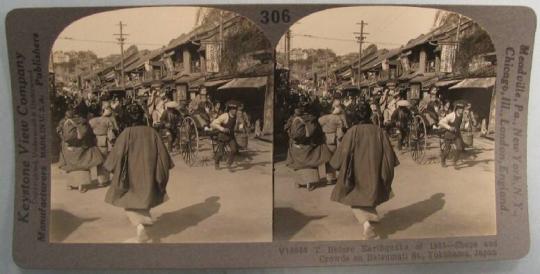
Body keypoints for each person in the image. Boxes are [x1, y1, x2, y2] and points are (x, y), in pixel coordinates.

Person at [103, 102, 174, 243]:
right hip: (148, 174)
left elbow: (116, 155)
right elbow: (164, 156)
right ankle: (142, 226)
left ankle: (140, 227)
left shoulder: (126, 133)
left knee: (129, 199)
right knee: (144, 199)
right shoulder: (152, 132)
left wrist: (109, 168)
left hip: (131, 175)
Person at [329, 102, 399, 240]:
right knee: (369, 195)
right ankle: (371, 219)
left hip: (356, 173)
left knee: (354, 197)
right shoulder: (379, 131)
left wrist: (335, 165)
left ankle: (367, 225)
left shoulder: (353, 131)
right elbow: (390, 156)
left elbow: (342, 154)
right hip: (375, 171)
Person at [285, 102, 332, 191]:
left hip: (296, 146)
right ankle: (309, 183)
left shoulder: (293, 119)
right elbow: (317, 133)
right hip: (309, 146)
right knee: (311, 161)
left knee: (298, 163)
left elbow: (287, 130)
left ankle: (298, 182)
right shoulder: (311, 119)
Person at [57, 108, 104, 193]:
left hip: (68, 149)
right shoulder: (82, 121)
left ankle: (70, 185)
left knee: (70, 166)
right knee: (84, 162)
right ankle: (81, 186)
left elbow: (59, 132)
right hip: (80, 149)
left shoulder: (63, 122)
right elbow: (88, 134)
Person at [88, 105, 119, 187]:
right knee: (105, 160)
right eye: (107, 109)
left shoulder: (92, 121)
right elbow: (112, 133)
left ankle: (101, 180)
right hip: (104, 141)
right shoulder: (108, 120)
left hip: (95, 141)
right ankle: (104, 180)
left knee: (99, 161)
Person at [318, 104, 345, 184]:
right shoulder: (338, 118)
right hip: (334, 139)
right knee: (336, 158)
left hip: (325, 138)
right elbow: (340, 133)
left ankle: (329, 177)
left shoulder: (324, 118)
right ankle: (339, 176)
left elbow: (319, 121)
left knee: (328, 158)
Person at [211, 101, 240, 170]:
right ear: (230, 109)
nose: (235, 110)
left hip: (230, 136)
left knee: (234, 150)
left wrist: (240, 127)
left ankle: (229, 163)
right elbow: (213, 123)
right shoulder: (225, 116)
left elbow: (238, 124)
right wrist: (222, 129)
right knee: (221, 153)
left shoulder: (236, 117)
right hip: (222, 136)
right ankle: (216, 162)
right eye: (233, 109)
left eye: (236, 109)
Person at [438, 102, 465, 168]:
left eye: (462, 109)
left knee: (459, 148)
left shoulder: (461, 115)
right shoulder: (451, 115)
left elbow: (460, 124)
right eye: (460, 109)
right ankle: (443, 160)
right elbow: (440, 122)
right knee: (447, 150)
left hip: (456, 135)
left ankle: (454, 161)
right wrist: (449, 127)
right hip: (449, 134)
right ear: (457, 109)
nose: (462, 110)